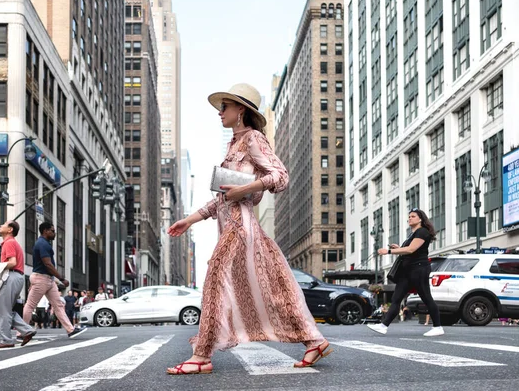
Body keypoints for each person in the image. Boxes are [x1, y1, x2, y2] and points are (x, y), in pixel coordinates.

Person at [166, 84, 332, 375]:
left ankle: (201, 356)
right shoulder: (231, 147)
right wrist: (189, 220)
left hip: (241, 227)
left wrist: (246, 187)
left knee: (216, 283)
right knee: (272, 289)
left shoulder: (254, 138)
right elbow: (220, 199)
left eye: (225, 106)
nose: (220, 112)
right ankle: (313, 341)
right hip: (231, 225)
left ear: (241, 109)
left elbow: (279, 176)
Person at [367, 209, 444, 337]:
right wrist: (398, 248)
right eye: (409, 216)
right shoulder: (412, 234)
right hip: (407, 271)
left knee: (426, 297)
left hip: (419, 269)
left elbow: (411, 249)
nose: (410, 218)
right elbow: (409, 250)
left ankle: (438, 327)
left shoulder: (422, 232)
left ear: (420, 219)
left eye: (413, 216)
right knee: (396, 298)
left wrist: (389, 252)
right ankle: (383, 325)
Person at [22, 222, 87, 339]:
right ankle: (21, 332)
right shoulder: (42, 244)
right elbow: (48, 264)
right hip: (41, 278)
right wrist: (61, 278)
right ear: (45, 231)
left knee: (59, 305)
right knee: (30, 305)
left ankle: (70, 330)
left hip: (48, 279)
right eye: (52, 231)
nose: (54, 233)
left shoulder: (45, 243)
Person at [0, 221, 36, 348]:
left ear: (10, 230)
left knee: (2, 310)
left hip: (11, 276)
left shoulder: (9, 242)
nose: (0, 226)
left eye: (3, 224)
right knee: (8, 310)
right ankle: (27, 330)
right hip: (17, 277)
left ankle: (7, 340)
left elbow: (12, 262)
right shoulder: (12, 243)